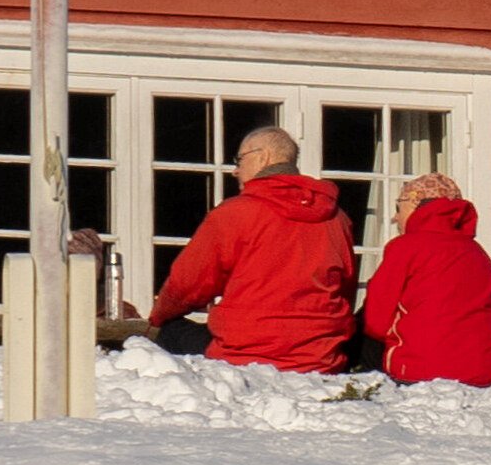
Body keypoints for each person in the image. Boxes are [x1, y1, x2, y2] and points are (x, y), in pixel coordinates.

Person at [149, 122, 358, 371]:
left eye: (239, 160)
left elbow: (187, 284)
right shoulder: (337, 219)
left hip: (245, 356)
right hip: (317, 359)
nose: (235, 171)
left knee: (168, 333)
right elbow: (345, 290)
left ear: (263, 157)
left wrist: (158, 315)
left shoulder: (235, 213)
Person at [365, 171, 491, 391]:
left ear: (416, 205)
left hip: (421, 370)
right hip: (486, 371)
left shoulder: (405, 248)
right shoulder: (477, 253)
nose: (395, 217)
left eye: (399, 207)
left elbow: (376, 322)